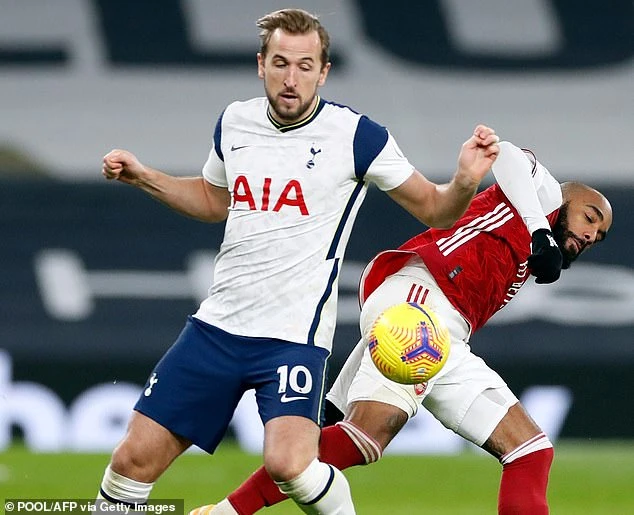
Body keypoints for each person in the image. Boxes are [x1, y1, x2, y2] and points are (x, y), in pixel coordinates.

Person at [95, 8, 501, 515]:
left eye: (305, 66)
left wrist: (464, 181)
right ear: (260, 64)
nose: (292, 78)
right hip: (217, 328)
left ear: (323, 72)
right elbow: (214, 200)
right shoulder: (235, 122)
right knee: (132, 460)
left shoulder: (357, 136)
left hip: (293, 337)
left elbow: (436, 210)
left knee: (290, 465)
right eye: (281, 63)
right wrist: (143, 176)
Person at [189, 141, 612, 515]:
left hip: (441, 331)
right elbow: (508, 154)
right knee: (365, 437)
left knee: (530, 450)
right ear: (568, 199)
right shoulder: (542, 195)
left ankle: (226, 510)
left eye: (600, 234)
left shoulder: (531, 252)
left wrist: (340, 393)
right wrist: (539, 231)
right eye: (589, 216)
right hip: (419, 302)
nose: (592, 234)